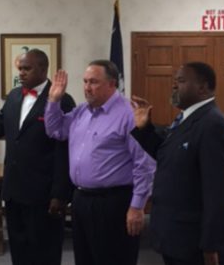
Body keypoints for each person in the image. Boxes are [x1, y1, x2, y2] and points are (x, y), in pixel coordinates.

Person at [44, 60, 156, 265]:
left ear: (112, 84)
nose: (87, 87)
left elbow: (144, 163)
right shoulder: (81, 111)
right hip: (81, 199)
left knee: (113, 259)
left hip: (114, 202)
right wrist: (53, 101)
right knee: (85, 258)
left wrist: (137, 206)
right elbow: (55, 130)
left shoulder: (128, 115)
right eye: (85, 81)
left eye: (94, 82)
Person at [0, 49, 75, 265]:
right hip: (14, 190)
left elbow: (64, 150)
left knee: (44, 252)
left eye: (26, 68)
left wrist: (60, 193)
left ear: (43, 69)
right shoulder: (14, 96)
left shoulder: (61, 100)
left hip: (44, 194)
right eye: (20, 68)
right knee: (19, 250)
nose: (21, 73)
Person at [131, 62, 224, 265]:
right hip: (177, 238)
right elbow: (169, 156)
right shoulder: (186, 119)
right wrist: (144, 129)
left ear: (202, 87)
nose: (174, 86)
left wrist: (211, 245)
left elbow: (219, 194)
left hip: (195, 245)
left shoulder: (213, 125)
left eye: (180, 81)